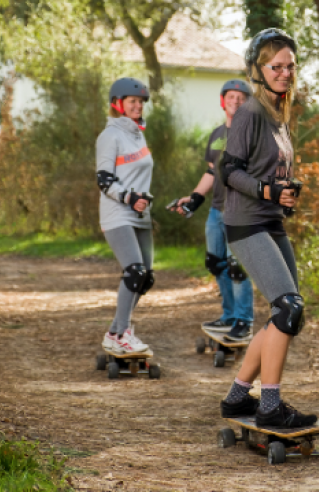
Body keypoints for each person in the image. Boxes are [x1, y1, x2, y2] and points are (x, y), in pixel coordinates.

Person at [216, 28, 317, 428]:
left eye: (290, 66)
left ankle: (238, 397)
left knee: (287, 312)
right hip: (245, 223)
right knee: (288, 310)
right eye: (276, 66)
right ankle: (270, 406)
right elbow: (229, 170)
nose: (285, 73)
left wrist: (285, 192)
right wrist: (266, 190)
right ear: (259, 69)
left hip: (270, 221)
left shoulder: (279, 115)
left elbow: (270, 174)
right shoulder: (251, 112)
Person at [168, 80, 256, 341]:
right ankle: (229, 315)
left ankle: (244, 319)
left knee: (237, 266)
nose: (236, 101)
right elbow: (211, 171)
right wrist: (194, 198)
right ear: (223, 101)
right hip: (217, 211)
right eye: (231, 96)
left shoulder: (253, 136)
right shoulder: (217, 135)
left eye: (241, 97)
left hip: (241, 212)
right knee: (216, 263)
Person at [96, 77, 157, 355]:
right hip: (117, 211)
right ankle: (123, 333)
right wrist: (130, 197)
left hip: (140, 213)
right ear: (117, 104)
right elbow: (104, 180)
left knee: (145, 278)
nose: (138, 106)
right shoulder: (109, 136)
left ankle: (114, 332)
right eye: (132, 101)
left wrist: (142, 199)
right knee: (134, 272)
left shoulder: (138, 134)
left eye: (141, 102)